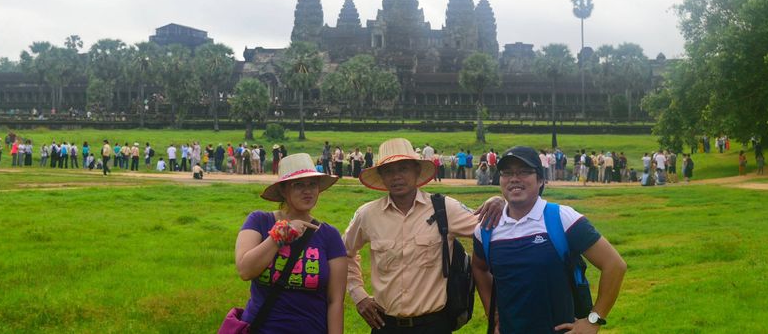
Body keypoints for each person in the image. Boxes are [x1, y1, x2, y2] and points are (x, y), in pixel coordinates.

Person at [343, 138, 505, 334]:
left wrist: (501, 203)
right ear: (382, 177)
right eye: (389, 171)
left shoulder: (445, 208)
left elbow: (496, 228)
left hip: (434, 325)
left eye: (403, 168)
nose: (396, 177)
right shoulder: (367, 215)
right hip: (385, 325)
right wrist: (358, 294)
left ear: (417, 171)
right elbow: (343, 254)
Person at [472, 146, 627, 334]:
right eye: (507, 173)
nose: (514, 178)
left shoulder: (562, 218)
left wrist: (594, 320)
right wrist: (493, 314)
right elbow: (479, 268)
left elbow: (614, 265)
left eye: (524, 172)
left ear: (540, 180)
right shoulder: (487, 228)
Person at [234, 153, 345, 333]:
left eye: (312, 184)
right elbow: (245, 270)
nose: (307, 191)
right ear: (283, 190)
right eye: (298, 185)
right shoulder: (259, 221)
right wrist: (278, 237)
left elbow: (336, 301)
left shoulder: (329, 235)